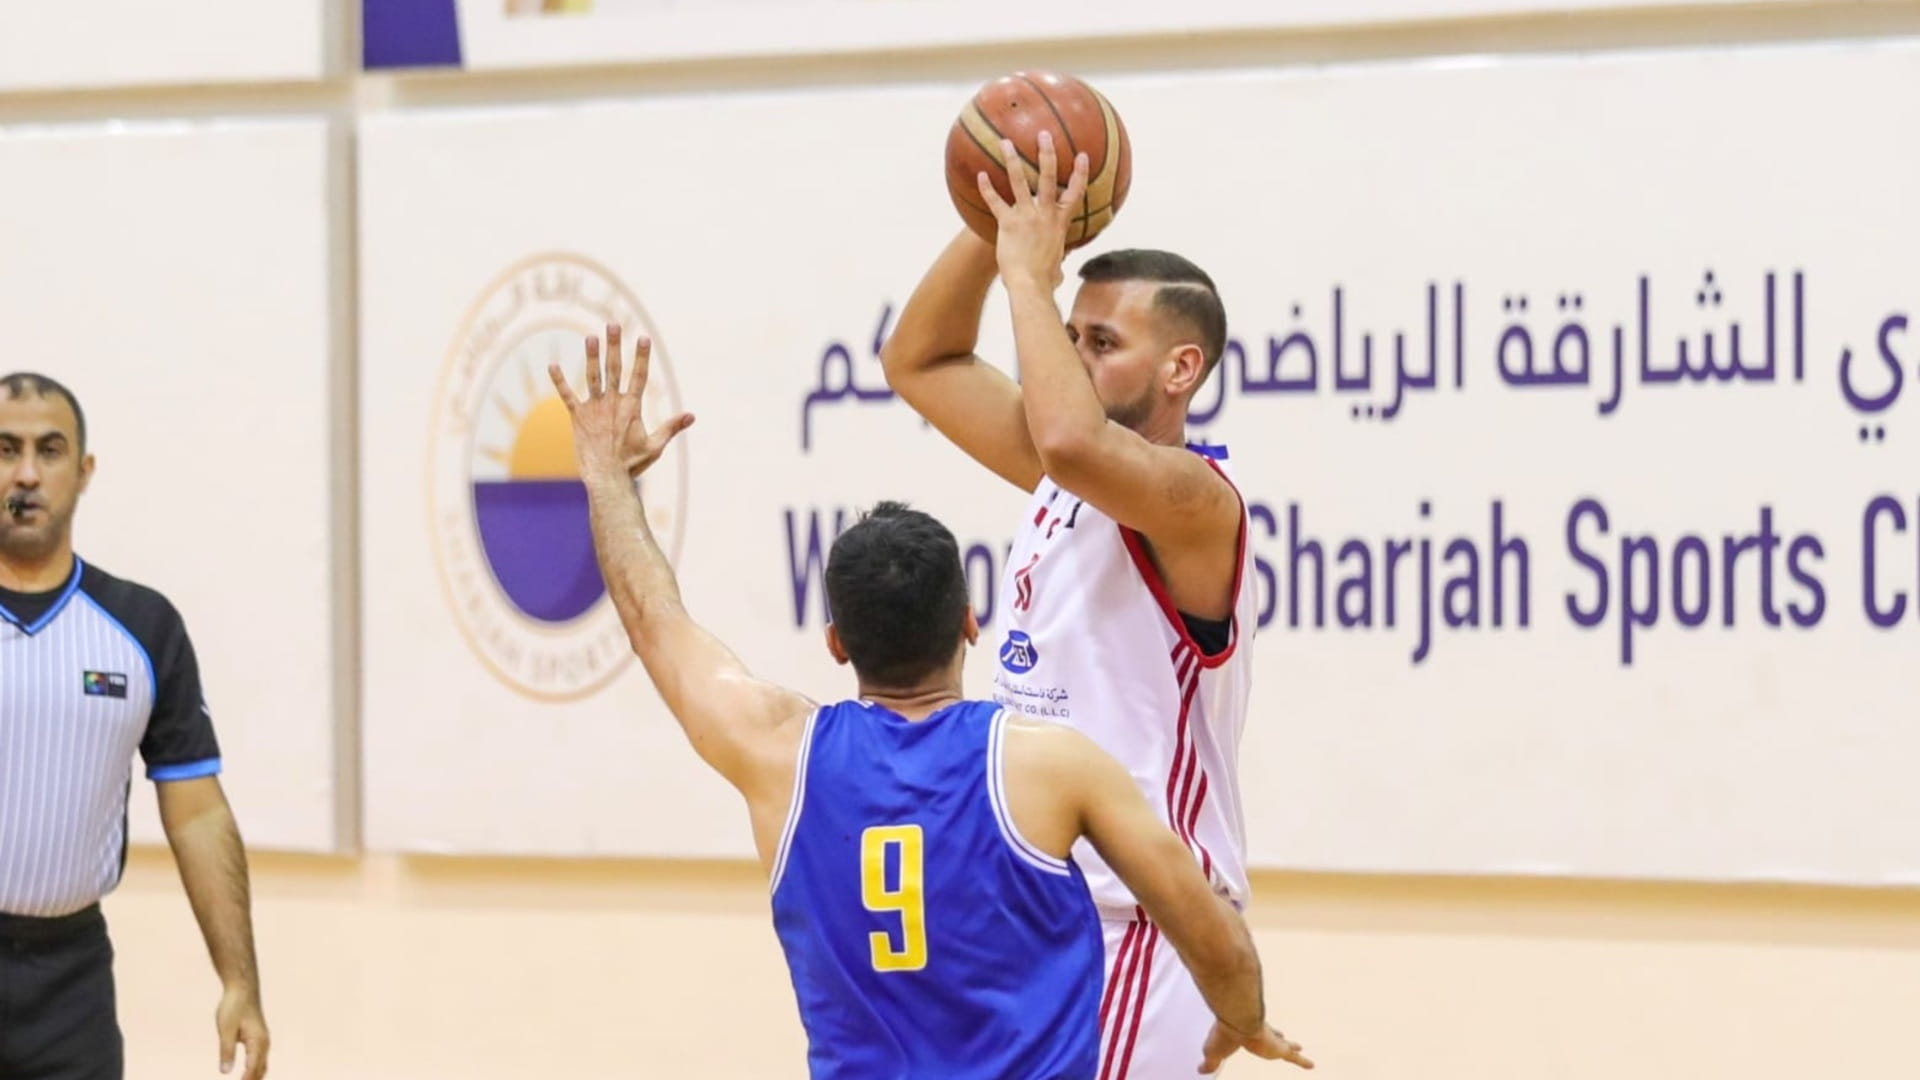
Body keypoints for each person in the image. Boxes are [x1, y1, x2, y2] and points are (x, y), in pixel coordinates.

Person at [551, 326, 1309, 1078]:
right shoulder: (1050, 766)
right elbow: (1209, 929)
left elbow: (655, 623)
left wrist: (607, 478)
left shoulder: (780, 756)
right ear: (972, 623)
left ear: (836, 641)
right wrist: (1241, 1017)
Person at [880, 132, 1263, 1077]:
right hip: (1027, 911)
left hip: (1140, 919)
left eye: (1103, 342)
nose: (1073, 353)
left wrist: (1027, 279)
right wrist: (996, 211)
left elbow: (1068, 440)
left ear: (1181, 369)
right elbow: (918, 362)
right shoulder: (1066, 478)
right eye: (1073, 335)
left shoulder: (1195, 503)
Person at [0, 372, 270, 1080]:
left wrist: (239, 979)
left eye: (50, 450)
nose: (26, 473)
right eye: (4, 448)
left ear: (84, 471)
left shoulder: (144, 629)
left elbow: (198, 815)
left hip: (71, 983)